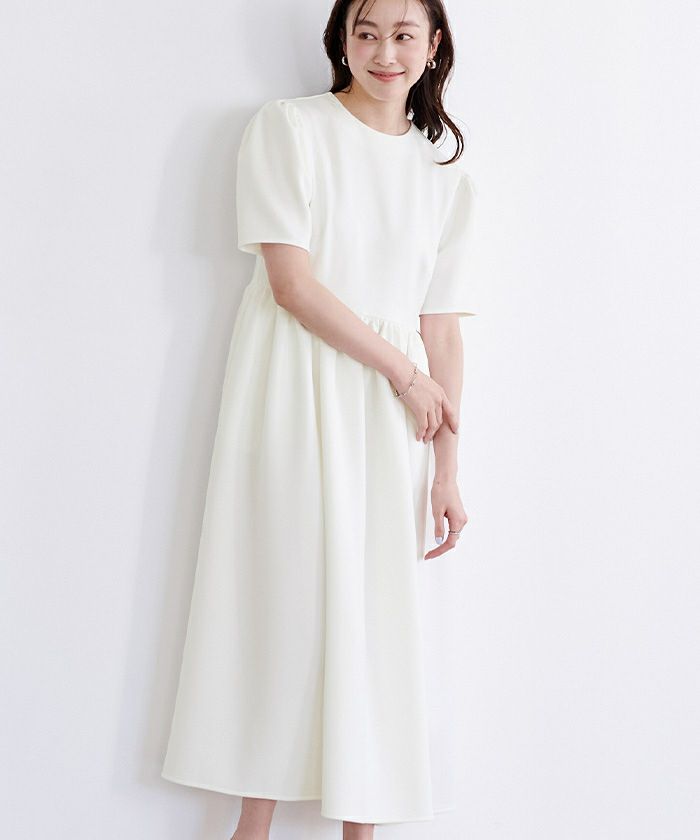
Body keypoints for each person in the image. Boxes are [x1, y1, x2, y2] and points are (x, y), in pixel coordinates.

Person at [161, 0, 478, 837]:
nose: (384, 52)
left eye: (403, 34)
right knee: (281, 594)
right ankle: (252, 826)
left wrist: (447, 470)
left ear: (433, 46)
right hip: (295, 389)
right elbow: (292, 286)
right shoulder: (290, 128)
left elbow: (443, 328)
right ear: (340, 39)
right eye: (366, 32)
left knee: (377, 614)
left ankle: (360, 827)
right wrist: (405, 375)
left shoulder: (443, 171)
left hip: (396, 419)